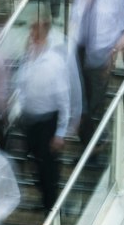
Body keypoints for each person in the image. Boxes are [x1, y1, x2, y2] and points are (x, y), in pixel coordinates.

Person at [14, 15, 80, 213]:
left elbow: (63, 99)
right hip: (30, 119)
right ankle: (44, 200)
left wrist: (60, 132)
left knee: (48, 166)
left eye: (36, 31)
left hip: (48, 120)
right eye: (32, 30)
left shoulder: (54, 61)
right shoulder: (29, 57)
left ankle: (52, 206)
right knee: (34, 162)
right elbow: (21, 84)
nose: (32, 35)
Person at [70, 0, 124, 140]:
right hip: (80, 53)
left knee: (94, 103)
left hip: (103, 56)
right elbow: (74, 24)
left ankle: (93, 141)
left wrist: (116, 49)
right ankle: (90, 141)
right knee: (82, 102)